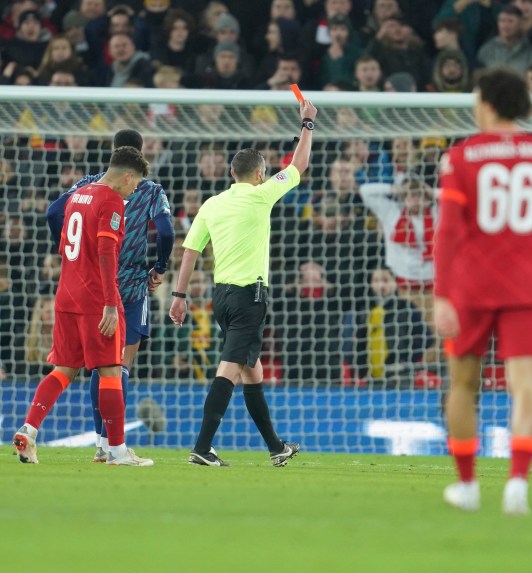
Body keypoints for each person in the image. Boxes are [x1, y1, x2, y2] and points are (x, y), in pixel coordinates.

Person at [434, 67, 532, 515]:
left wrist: (441, 294)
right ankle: (517, 483)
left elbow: (448, 234)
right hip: (525, 288)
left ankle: (468, 486)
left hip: (470, 288)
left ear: (489, 104)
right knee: (526, 387)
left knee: (462, 384)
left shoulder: (462, 156)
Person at [168, 97, 318, 468]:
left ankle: (275, 446)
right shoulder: (260, 195)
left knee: (253, 370)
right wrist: (307, 124)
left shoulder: (211, 204)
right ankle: (202, 447)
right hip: (250, 297)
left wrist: (179, 296)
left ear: (232, 173)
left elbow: (189, 252)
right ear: (258, 174)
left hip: (221, 298)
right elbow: (299, 164)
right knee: (230, 368)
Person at [12, 147, 152, 467]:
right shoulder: (111, 200)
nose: (133, 191)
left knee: (63, 370)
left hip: (66, 295)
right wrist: (109, 304)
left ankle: (28, 429)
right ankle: (116, 451)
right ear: (127, 176)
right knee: (111, 371)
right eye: (135, 184)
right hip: (95, 299)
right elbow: (105, 253)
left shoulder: (79, 194)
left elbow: (64, 241)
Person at [46, 129, 174, 463]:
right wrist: (159, 266)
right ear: (139, 158)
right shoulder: (151, 189)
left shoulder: (88, 184)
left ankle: (102, 445)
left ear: (112, 153)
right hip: (129, 281)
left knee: (89, 367)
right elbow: (166, 231)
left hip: (87, 280)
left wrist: (70, 253)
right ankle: (112, 443)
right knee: (117, 367)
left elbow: (52, 212)